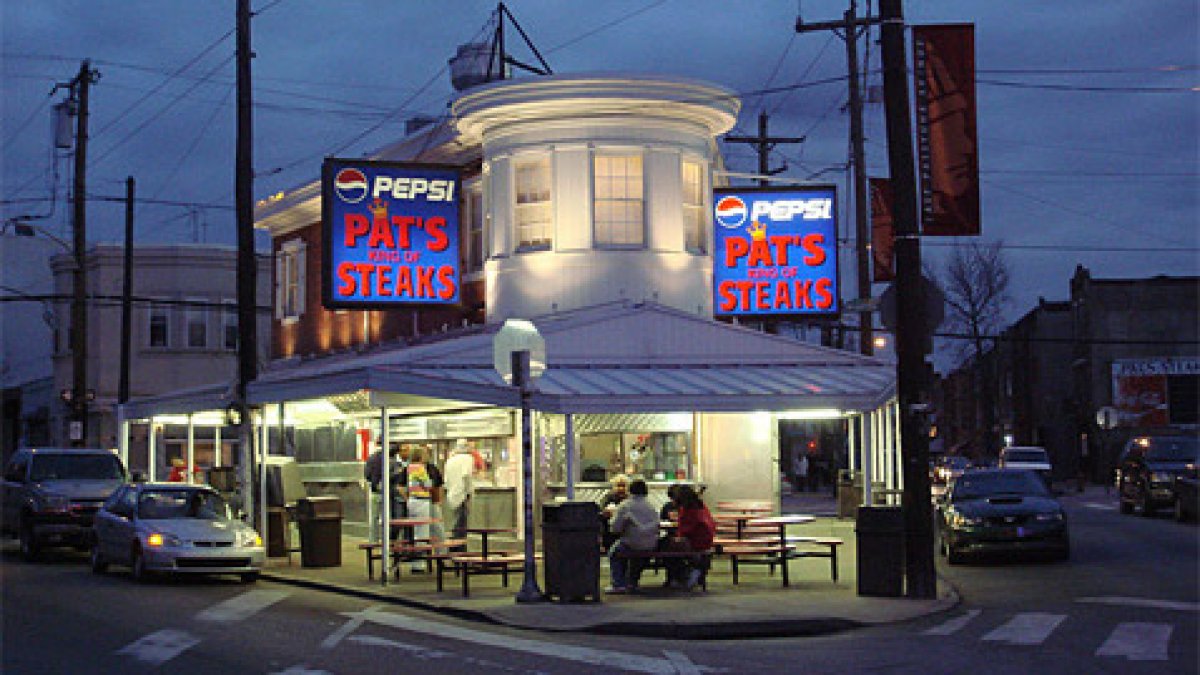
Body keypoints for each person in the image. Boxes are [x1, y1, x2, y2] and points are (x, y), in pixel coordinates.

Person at [605, 479, 659, 594]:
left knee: (613, 553)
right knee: (638, 558)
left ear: (630, 490)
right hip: (651, 543)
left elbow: (615, 528)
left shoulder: (625, 506)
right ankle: (632, 582)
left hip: (631, 543)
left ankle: (618, 584)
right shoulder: (651, 506)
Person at [400, 446, 441, 572]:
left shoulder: (408, 468)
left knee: (416, 531)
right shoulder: (420, 468)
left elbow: (403, 486)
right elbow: (427, 484)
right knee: (422, 532)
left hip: (412, 500)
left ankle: (416, 562)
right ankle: (419, 564)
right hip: (421, 501)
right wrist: (431, 483)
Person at [670, 485, 716, 590]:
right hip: (707, 540)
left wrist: (676, 536)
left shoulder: (687, 510)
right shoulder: (701, 506)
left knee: (666, 546)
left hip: (695, 542)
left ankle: (680, 577)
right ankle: (692, 572)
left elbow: (684, 530)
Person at [442, 439, 476, 544]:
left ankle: (455, 550)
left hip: (451, 494)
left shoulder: (450, 460)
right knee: (461, 526)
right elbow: (467, 477)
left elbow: (446, 480)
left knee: (456, 522)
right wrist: (470, 493)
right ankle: (459, 552)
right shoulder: (468, 459)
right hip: (463, 495)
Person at [599, 474, 630, 550]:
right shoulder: (608, 498)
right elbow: (601, 512)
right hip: (610, 532)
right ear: (614, 487)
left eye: (623, 486)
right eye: (618, 486)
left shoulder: (630, 499)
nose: (621, 488)